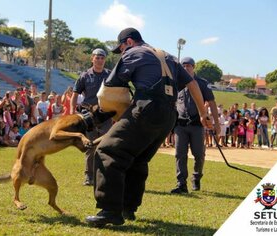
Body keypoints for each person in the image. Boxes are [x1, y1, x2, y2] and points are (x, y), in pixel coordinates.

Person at [85, 28, 210, 227]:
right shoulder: (167, 56)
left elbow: (109, 90)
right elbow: (193, 84)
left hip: (147, 108)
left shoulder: (133, 54)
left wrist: (103, 114)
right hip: (169, 114)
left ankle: (110, 210)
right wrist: (203, 114)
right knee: (138, 157)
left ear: (129, 41)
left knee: (107, 151)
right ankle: (128, 208)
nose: (122, 52)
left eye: (122, 48)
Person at [170, 57, 220, 194]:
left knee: (199, 154)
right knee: (180, 154)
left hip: (197, 125)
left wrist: (216, 123)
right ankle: (181, 184)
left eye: (189, 66)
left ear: (194, 67)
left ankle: (196, 177)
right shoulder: (176, 83)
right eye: (184, 66)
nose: (186, 68)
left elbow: (212, 102)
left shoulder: (202, 83)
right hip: (180, 125)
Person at [70, 48, 112, 186]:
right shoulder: (84, 76)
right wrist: (72, 112)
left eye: (102, 58)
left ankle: (104, 175)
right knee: (91, 145)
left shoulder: (110, 75)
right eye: (97, 57)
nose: (100, 60)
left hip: (105, 114)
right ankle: (89, 176)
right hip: (89, 116)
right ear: (92, 58)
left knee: (106, 145)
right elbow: (75, 94)